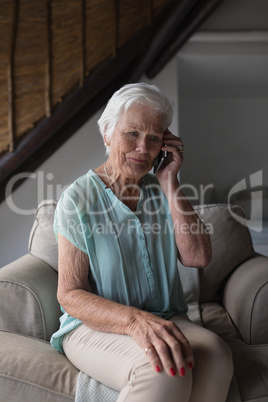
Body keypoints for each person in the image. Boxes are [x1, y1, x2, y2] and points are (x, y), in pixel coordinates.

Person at [50, 82, 233, 402]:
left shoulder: (162, 190)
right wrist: (133, 321)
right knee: (162, 370)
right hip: (95, 327)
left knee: (216, 355)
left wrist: (170, 181)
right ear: (107, 133)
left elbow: (198, 258)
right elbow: (70, 294)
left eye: (154, 138)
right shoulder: (77, 199)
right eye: (132, 134)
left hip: (165, 317)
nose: (143, 148)